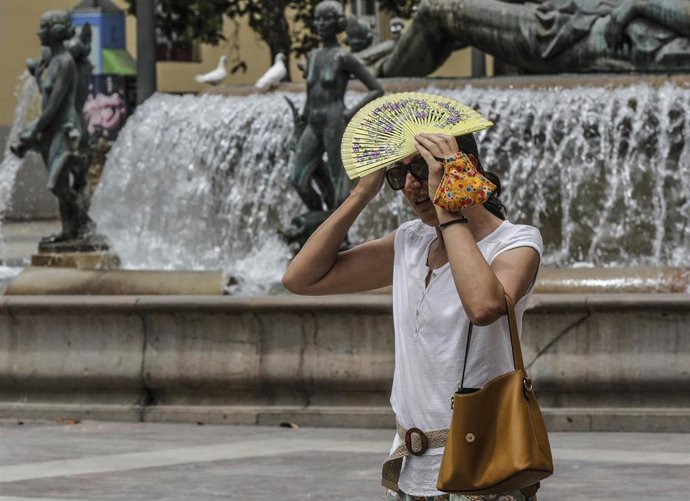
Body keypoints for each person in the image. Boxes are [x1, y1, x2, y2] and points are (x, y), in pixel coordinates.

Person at [283, 131, 543, 501]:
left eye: (421, 168)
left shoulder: (516, 242)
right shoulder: (411, 240)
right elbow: (301, 279)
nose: (410, 185)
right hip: (409, 469)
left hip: (484, 466)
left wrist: (448, 206)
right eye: (397, 174)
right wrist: (361, 195)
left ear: (461, 166)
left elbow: (484, 307)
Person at [379, 0, 690, 76]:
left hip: (560, 36)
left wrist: (636, 6)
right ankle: (375, 64)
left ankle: (378, 79)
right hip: (571, 25)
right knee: (449, 29)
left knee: (438, 11)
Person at [291, 0, 384, 213]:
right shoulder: (313, 56)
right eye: (318, 19)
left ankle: (336, 233)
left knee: (340, 184)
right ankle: (318, 219)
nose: (321, 23)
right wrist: (301, 121)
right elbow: (310, 93)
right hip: (312, 123)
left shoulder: (343, 57)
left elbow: (376, 88)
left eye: (327, 18)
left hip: (334, 121)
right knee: (298, 178)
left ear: (338, 23)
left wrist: (350, 113)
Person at [12, 10, 94, 243]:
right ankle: (69, 231)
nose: (39, 34)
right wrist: (38, 78)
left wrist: (33, 131)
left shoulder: (66, 62)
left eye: (43, 29)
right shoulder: (53, 61)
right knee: (60, 185)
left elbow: (55, 105)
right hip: (51, 129)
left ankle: (85, 220)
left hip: (65, 129)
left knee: (56, 185)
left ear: (55, 33)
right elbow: (47, 97)